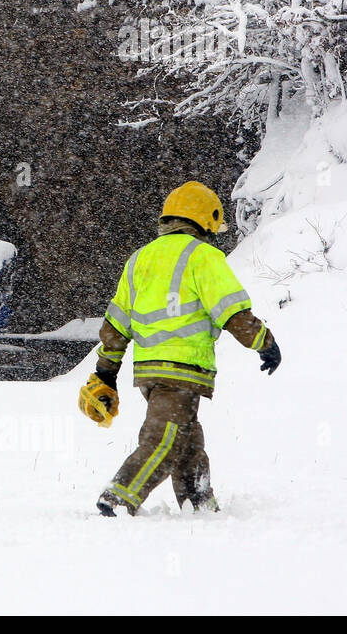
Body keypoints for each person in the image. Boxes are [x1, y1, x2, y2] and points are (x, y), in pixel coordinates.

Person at [80, 180, 282, 517]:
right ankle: (118, 498)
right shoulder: (203, 257)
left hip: (148, 372)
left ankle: (199, 503)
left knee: (187, 443)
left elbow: (116, 325)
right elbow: (231, 310)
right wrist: (265, 343)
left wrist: (105, 374)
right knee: (164, 441)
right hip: (182, 370)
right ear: (204, 220)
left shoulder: (138, 259)